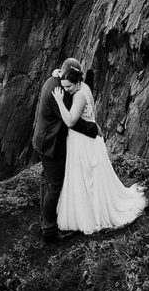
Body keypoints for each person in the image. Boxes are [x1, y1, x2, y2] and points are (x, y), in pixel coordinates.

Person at [53, 66, 148, 235]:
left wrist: (59, 101)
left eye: (68, 87)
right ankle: (87, 209)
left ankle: (92, 215)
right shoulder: (81, 89)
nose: (66, 90)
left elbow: (70, 121)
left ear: (78, 82)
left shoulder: (80, 96)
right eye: (64, 86)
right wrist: (57, 73)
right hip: (84, 140)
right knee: (85, 176)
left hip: (84, 142)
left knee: (88, 177)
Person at [32, 58, 99, 243]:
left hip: (43, 140)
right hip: (50, 144)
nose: (68, 88)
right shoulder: (58, 91)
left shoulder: (54, 80)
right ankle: (49, 231)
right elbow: (71, 121)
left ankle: (45, 220)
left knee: (46, 180)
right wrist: (93, 130)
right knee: (54, 186)